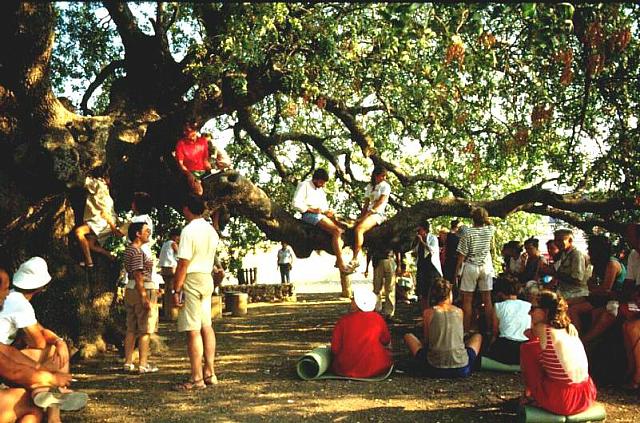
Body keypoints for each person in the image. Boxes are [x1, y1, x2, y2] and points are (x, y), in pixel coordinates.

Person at [0, 259, 88, 422]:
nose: (6, 295)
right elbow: (35, 346)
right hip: (5, 370)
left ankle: (43, 392)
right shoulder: (18, 303)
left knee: (34, 415)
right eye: (4, 289)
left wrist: (58, 341)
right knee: (32, 403)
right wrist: (51, 378)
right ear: (41, 286)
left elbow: (37, 332)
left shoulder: (14, 299)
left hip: (6, 362)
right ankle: (52, 410)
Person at [520, 290, 597, 415]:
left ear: (546, 311)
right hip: (586, 395)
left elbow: (526, 334)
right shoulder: (568, 327)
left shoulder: (542, 328)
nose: (529, 313)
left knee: (528, 348)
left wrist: (534, 323)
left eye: (533, 309)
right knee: (543, 352)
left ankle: (530, 394)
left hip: (563, 401)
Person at [172, 195, 219, 390]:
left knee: (193, 329)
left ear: (186, 209)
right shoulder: (211, 230)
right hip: (206, 277)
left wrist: (176, 288)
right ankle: (210, 372)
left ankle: (197, 378)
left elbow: (183, 262)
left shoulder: (188, 231)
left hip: (192, 278)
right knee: (206, 326)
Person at [404, 278, 482, 378]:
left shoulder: (428, 312)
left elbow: (428, 340)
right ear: (450, 295)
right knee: (478, 337)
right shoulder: (459, 312)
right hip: (461, 368)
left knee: (408, 336)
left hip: (433, 368)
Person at [292, 168, 349, 272]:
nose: (323, 185)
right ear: (316, 179)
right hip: (309, 215)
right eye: (322, 182)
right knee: (336, 231)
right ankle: (340, 262)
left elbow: (324, 207)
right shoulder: (304, 185)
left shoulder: (321, 191)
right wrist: (312, 209)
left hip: (321, 215)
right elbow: (295, 203)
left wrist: (328, 212)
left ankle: (338, 257)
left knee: (341, 229)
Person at [330, 288, 393, 378]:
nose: (351, 301)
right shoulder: (378, 319)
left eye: (353, 299)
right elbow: (386, 340)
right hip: (374, 367)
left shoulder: (343, 321)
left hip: (345, 368)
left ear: (358, 303)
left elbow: (335, 349)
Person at [123, 222, 160, 374]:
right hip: (141, 289)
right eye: (146, 230)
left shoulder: (129, 250)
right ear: (138, 233)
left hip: (130, 289)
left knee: (131, 328)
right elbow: (138, 275)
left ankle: (128, 362)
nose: (149, 232)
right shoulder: (137, 251)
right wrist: (145, 296)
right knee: (145, 329)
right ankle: (143, 364)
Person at [454, 207, 496, 334]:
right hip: (486, 267)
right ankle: (489, 330)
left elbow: (461, 256)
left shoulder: (467, 233)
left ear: (473, 219)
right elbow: (491, 224)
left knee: (467, 300)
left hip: (471, 266)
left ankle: (466, 330)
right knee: (487, 300)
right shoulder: (490, 230)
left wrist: (456, 273)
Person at [74, 165, 124, 267]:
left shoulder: (97, 184)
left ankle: (89, 261)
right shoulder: (105, 188)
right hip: (106, 222)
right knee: (91, 245)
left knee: (79, 232)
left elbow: (81, 180)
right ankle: (108, 255)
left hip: (101, 221)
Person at [348, 167, 391, 272]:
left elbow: (379, 203)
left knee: (359, 230)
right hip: (368, 213)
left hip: (378, 214)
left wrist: (367, 215)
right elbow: (366, 204)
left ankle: (355, 258)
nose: (384, 178)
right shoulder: (369, 186)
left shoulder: (385, 186)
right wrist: (361, 217)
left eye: (385, 176)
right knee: (350, 227)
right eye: (382, 176)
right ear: (376, 175)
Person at [486, 276, 531, 365]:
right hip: (524, 348)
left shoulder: (498, 306)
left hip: (506, 345)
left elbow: (495, 331)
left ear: (501, 293)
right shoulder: (528, 305)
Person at [175, 122, 212, 196]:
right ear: (184, 132)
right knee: (199, 192)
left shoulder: (203, 141)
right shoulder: (181, 144)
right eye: (187, 131)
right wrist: (189, 175)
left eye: (193, 130)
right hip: (189, 173)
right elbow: (180, 163)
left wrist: (209, 167)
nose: (191, 132)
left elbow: (205, 159)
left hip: (203, 173)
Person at [413, 221, 442, 311]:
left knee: (433, 291)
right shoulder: (417, 241)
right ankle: (424, 312)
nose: (418, 232)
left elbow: (432, 250)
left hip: (432, 268)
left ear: (425, 230)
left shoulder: (432, 238)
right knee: (423, 291)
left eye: (420, 230)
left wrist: (422, 241)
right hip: (422, 268)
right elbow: (415, 252)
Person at [365, 249, 397, 319]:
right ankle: (377, 310)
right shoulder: (374, 239)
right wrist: (367, 268)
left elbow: (397, 249)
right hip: (377, 261)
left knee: (390, 288)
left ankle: (389, 313)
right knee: (377, 288)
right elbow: (369, 252)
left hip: (389, 259)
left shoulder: (390, 238)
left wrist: (399, 264)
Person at [159, 228, 181, 318]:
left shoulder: (165, 244)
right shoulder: (173, 243)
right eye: (178, 237)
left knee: (168, 290)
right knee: (173, 289)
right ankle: (172, 312)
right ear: (174, 236)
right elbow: (180, 254)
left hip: (164, 269)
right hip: (171, 268)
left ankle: (167, 312)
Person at [443, 219, 461, 286]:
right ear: (456, 227)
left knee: (447, 280)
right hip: (454, 260)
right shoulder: (457, 238)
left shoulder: (446, 236)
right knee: (453, 280)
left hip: (448, 259)